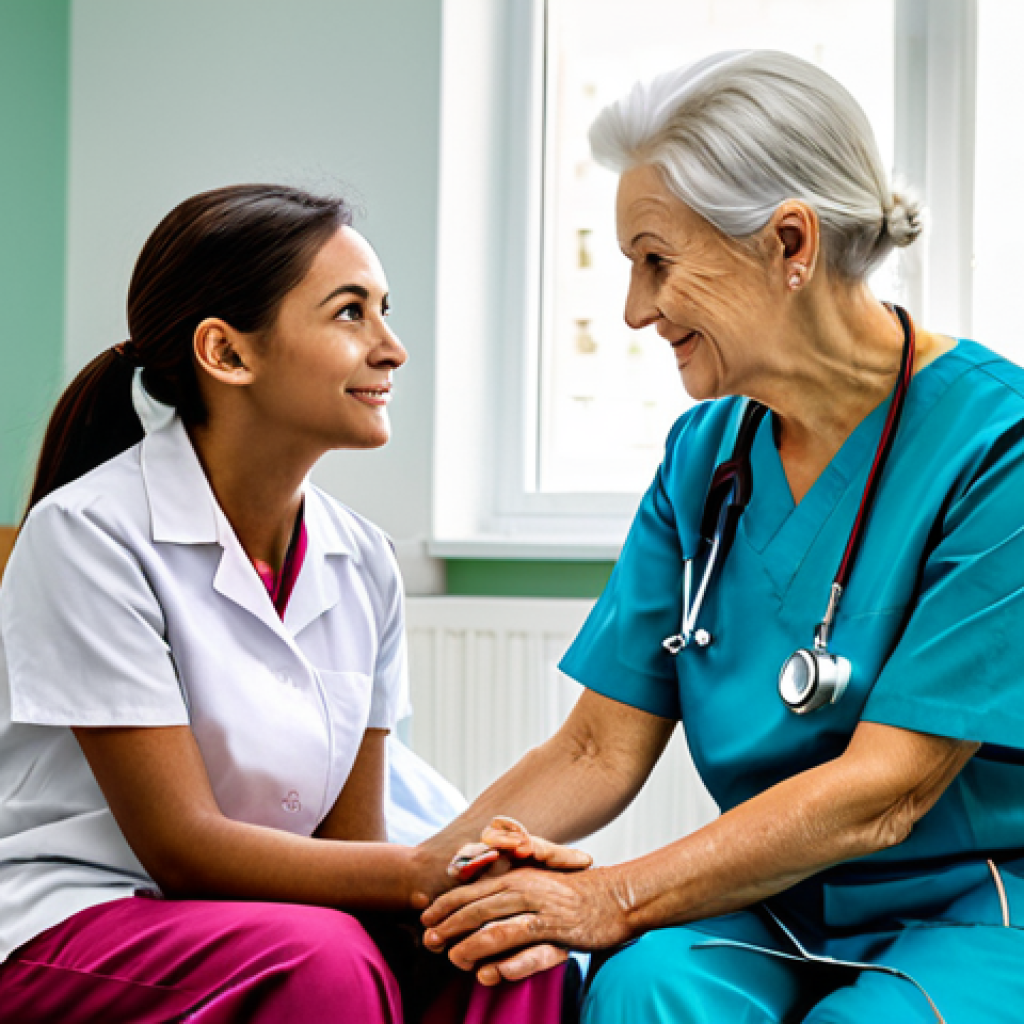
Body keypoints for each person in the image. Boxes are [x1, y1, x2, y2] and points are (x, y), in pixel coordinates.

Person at [417, 51, 1024, 1023]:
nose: (633, 310)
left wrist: (606, 894)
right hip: (776, 900)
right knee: (643, 988)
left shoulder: (998, 446)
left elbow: (885, 793)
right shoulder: (707, 456)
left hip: (975, 906)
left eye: (656, 260)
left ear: (789, 240)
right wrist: (427, 880)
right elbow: (595, 749)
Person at [0, 184, 573, 1022]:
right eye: (351, 314)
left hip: (267, 914)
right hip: (81, 914)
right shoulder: (89, 535)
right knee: (321, 960)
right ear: (227, 354)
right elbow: (181, 847)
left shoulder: (362, 560)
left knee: (510, 944)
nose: (393, 348)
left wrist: (466, 880)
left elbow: (347, 846)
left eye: (385, 310)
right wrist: (420, 868)